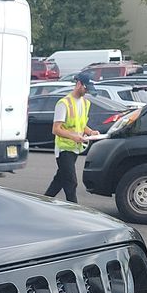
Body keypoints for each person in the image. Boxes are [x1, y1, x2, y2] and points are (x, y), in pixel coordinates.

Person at [44, 71, 94, 202]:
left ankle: (44, 202)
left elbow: (81, 125)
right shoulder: (64, 103)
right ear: (78, 84)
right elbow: (56, 129)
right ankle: (74, 208)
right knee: (71, 182)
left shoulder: (85, 103)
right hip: (64, 149)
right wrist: (73, 137)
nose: (87, 91)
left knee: (60, 179)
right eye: (85, 87)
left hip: (75, 148)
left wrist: (91, 132)